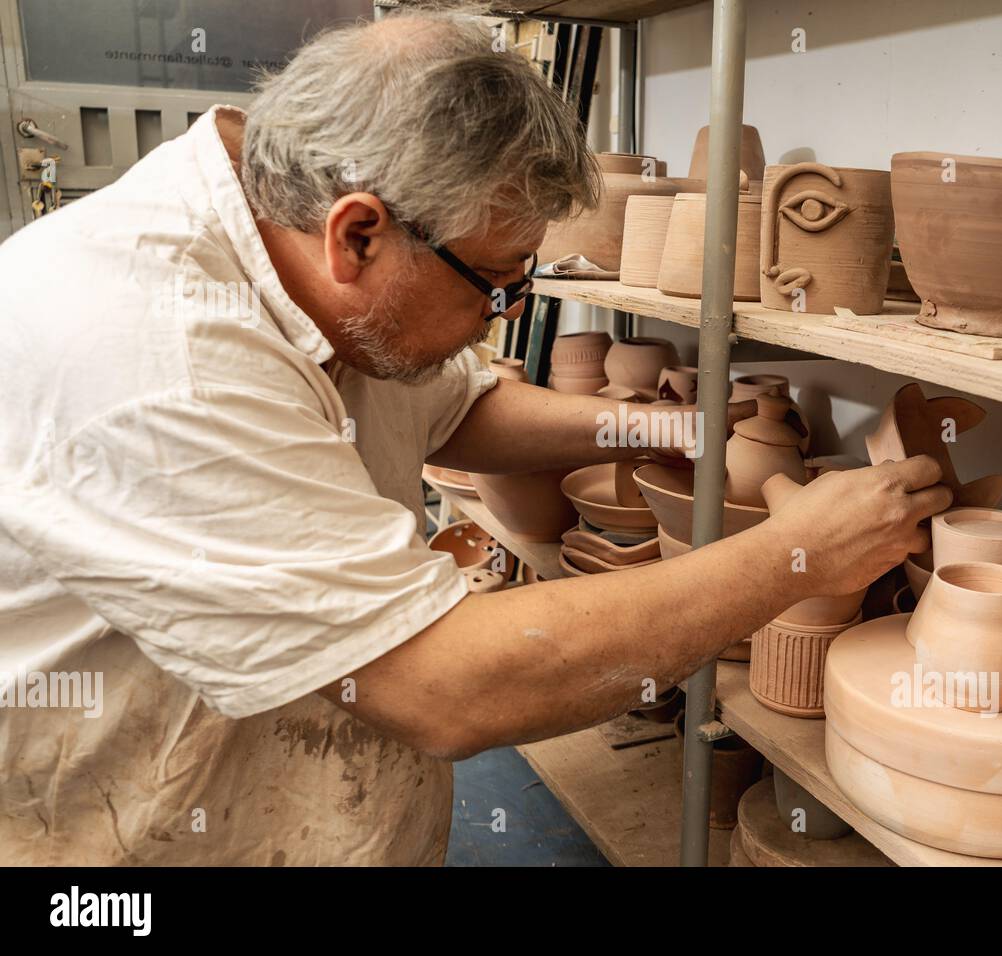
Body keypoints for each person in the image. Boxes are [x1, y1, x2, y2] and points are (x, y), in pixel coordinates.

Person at [0, 8, 950, 865]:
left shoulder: (286, 237)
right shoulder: (155, 353)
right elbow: (444, 687)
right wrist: (793, 559)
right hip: (136, 837)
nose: (505, 315)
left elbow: (456, 410)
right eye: (498, 283)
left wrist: (652, 425)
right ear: (358, 235)